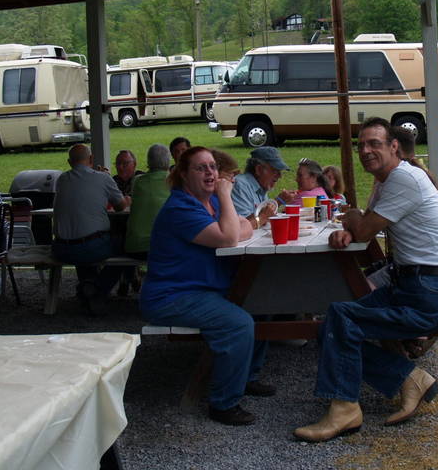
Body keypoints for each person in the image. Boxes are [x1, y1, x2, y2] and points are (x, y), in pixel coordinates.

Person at [294, 117, 438, 442]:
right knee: (331, 323)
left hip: (432, 291)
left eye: (375, 143)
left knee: (342, 318)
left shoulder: (403, 179)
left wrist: (353, 222)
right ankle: (408, 378)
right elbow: (360, 224)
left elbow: (363, 226)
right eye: (362, 146)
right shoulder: (388, 181)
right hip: (412, 283)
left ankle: (344, 409)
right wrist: (350, 225)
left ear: (394, 147)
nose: (366, 151)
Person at [140, 146, 273, 426]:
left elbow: (243, 228)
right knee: (238, 323)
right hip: (173, 296)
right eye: (201, 168)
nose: (211, 172)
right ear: (184, 174)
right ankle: (223, 403)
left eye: (213, 166)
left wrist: (232, 222)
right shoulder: (180, 208)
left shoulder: (208, 204)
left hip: (203, 290)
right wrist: (226, 196)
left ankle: (245, 376)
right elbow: (229, 237)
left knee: (261, 302)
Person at [52, 144, 130, 316]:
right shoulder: (103, 178)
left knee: (84, 238)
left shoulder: (62, 180)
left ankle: (87, 285)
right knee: (126, 246)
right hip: (90, 247)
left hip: (60, 248)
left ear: (69, 162)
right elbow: (120, 207)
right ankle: (98, 289)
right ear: (92, 159)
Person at [231, 146, 289, 230]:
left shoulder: (261, 185)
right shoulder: (240, 185)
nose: (280, 176)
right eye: (275, 171)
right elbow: (242, 226)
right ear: (258, 169)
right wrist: (278, 201)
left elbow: (265, 216)